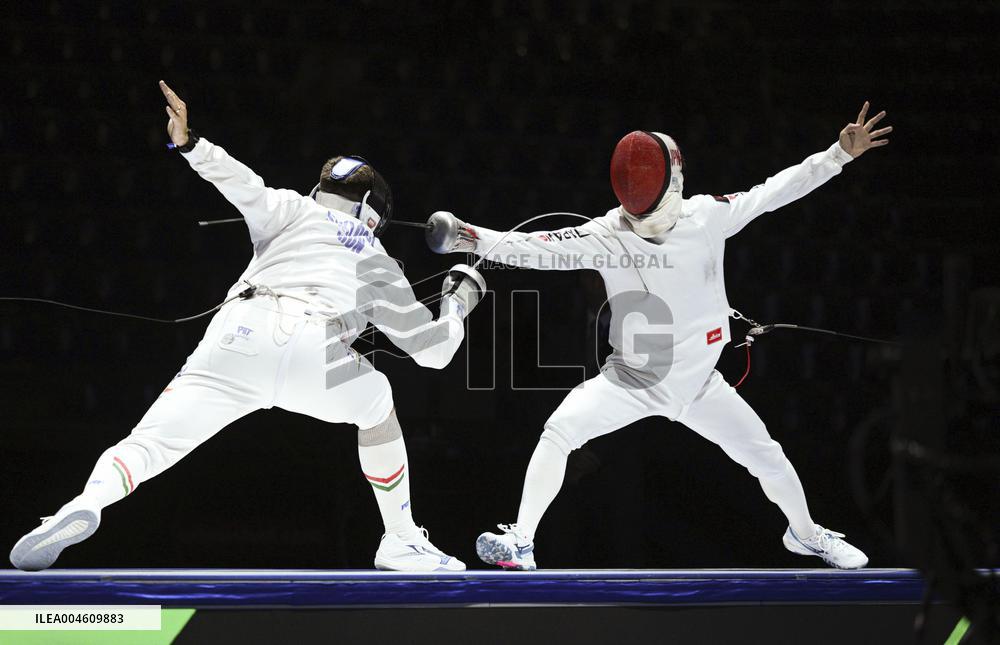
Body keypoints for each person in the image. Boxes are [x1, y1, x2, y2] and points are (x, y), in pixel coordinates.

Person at [9, 81, 486, 573]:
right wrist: (457, 302)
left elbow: (241, 182)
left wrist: (189, 143)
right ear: (373, 216)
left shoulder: (292, 208)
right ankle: (401, 539)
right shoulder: (379, 259)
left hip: (236, 336)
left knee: (148, 444)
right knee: (377, 402)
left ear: (321, 191)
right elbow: (433, 353)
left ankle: (83, 504)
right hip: (315, 353)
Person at [430, 102, 892, 570]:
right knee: (559, 431)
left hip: (698, 385)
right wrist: (469, 236)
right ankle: (522, 541)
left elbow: (772, 192)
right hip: (630, 380)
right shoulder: (606, 235)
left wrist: (837, 155)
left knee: (766, 456)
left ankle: (807, 535)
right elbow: (534, 248)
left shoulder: (707, 217)